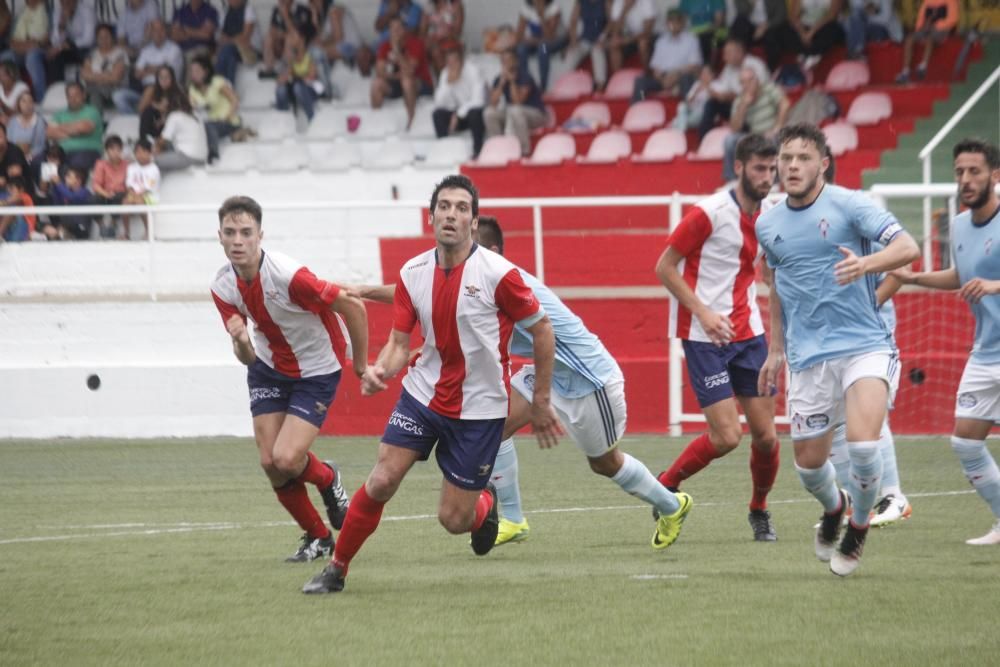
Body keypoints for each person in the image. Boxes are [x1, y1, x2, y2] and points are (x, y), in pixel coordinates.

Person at [353, 215, 692, 548]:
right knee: (490, 425)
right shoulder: (469, 283)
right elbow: (418, 288)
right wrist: (364, 291)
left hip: (589, 380)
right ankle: (513, 519)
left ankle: (672, 506)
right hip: (547, 374)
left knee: (605, 463)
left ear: (492, 251)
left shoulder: (502, 282)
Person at [302, 175, 560, 594]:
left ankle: (484, 506)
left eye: (461, 208)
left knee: (453, 520)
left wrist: (541, 400)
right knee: (383, 477)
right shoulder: (412, 272)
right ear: (431, 216)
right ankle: (337, 568)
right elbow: (401, 344)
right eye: (444, 206)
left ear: (474, 222)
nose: (451, 214)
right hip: (423, 395)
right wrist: (380, 371)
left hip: (479, 411)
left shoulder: (500, 275)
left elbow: (543, 330)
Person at [755, 123, 920, 576]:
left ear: (822, 164)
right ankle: (835, 507)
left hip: (865, 344)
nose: (791, 166)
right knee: (810, 468)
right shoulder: (767, 223)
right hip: (808, 358)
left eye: (803, 158)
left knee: (865, 448)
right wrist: (775, 350)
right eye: (786, 158)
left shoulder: (851, 204)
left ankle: (860, 524)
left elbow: (908, 247)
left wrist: (866, 263)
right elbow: (776, 286)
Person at [210, 195, 368, 563]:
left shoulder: (288, 276)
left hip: (316, 368)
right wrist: (240, 340)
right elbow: (246, 358)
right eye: (230, 232)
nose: (237, 240)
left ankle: (328, 477)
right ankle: (317, 537)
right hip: (267, 365)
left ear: (260, 235)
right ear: (218, 236)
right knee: (270, 462)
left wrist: (359, 364)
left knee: (286, 457)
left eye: (245, 232)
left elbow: (354, 306)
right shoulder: (222, 287)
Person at [655, 134, 780, 541]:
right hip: (704, 337)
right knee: (728, 436)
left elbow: (767, 275)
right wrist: (704, 313)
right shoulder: (708, 212)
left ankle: (759, 509)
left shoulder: (772, 216)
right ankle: (666, 484)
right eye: (760, 168)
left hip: (750, 336)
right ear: (740, 168)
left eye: (772, 168)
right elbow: (665, 267)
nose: (768, 176)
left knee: (766, 437)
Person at [891, 138, 1000, 545]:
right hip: (986, 351)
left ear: (995, 175)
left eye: (974, 171)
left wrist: (994, 285)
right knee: (966, 442)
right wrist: (915, 278)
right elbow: (961, 274)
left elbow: (985, 279)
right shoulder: (957, 224)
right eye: (959, 172)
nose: (965, 180)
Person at [722, 66, 789, 181]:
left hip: (773, 131)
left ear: (757, 80)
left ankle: (775, 181)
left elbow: (785, 104)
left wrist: (777, 127)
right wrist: (743, 106)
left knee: (774, 139)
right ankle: (732, 180)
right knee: (729, 140)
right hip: (754, 135)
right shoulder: (739, 100)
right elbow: (734, 128)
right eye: (743, 82)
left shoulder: (768, 89)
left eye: (750, 80)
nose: (747, 85)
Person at [697, 37, 768, 141]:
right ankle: (704, 141)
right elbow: (722, 89)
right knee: (711, 103)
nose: (724, 57)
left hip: (755, 107)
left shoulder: (755, 65)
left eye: (728, 53)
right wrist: (711, 89)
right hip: (736, 105)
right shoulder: (728, 68)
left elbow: (757, 92)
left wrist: (732, 96)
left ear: (739, 52)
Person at [371, 17, 433, 131]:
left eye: (398, 28)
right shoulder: (385, 45)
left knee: (407, 80)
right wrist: (396, 76)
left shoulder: (415, 43)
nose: (395, 32)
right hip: (398, 82)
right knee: (377, 83)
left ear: (405, 30)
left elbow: (409, 70)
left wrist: (397, 50)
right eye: (392, 29)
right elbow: (379, 71)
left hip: (421, 84)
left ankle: (411, 119)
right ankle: (376, 121)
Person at [630, 8, 702, 103]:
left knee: (686, 79)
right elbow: (655, 68)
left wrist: (676, 74)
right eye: (670, 21)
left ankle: (688, 111)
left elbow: (695, 65)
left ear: (682, 23)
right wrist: (662, 79)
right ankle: (637, 110)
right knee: (640, 82)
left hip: (681, 75)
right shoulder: (661, 42)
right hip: (663, 78)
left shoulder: (691, 40)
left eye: (676, 21)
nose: (673, 24)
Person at [114, 19, 185, 113]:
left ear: (166, 31)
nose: (158, 33)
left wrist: (147, 69)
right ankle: (133, 120)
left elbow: (167, 73)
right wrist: (158, 68)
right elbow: (137, 73)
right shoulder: (146, 50)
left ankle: (139, 118)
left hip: (166, 91)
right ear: (150, 33)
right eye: (154, 30)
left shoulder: (174, 49)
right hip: (143, 89)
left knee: (151, 88)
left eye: (161, 30)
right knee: (118, 96)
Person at [485, 48, 547, 157]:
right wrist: (501, 83)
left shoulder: (525, 76)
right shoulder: (500, 78)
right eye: (503, 60)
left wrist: (512, 81)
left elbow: (518, 101)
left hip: (536, 115)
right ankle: (497, 148)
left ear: (516, 61)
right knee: (489, 113)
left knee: (515, 110)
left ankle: (524, 152)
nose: (506, 62)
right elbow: (493, 103)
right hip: (513, 113)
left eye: (509, 59)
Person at [431, 45, 486, 157]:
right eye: (449, 61)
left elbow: (479, 101)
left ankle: (478, 151)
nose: (451, 64)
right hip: (456, 117)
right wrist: (448, 84)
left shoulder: (473, 71)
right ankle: (444, 150)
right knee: (437, 114)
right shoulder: (445, 73)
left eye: (454, 61)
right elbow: (439, 103)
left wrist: (458, 114)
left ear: (461, 60)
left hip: (473, 114)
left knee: (474, 113)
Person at [189, 55, 243, 164]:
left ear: (206, 71)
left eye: (197, 71)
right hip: (208, 122)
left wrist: (227, 116)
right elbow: (192, 108)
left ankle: (213, 154)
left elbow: (235, 100)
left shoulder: (217, 82)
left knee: (209, 126)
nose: (193, 74)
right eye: (192, 71)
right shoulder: (192, 89)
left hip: (228, 121)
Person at [766, 0, 846, 72]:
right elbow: (793, 17)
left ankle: (811, 55)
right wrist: (802, 33)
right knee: (778, 31)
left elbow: (832, 15)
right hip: (804, 26)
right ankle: (805, 55)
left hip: (824, 26)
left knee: (833, 30)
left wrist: (811, 32)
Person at [46, 81, 104, 171]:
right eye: (70, 96)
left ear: (84, 95)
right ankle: (52, 185)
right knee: (40, 160)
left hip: (87, 152)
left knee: (74, 164)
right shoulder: (60, 114)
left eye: (76, 95)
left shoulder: (92, 111)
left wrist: (59, 128)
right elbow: (49, 132)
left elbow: (84, 128)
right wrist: (74, 131)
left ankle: (67, 184)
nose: (73, 99)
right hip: (62, 152)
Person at [896, 0, 959, 83]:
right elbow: (921, 17)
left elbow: (953, 19)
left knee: (930, 39)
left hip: (942, 29)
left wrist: (936, 26)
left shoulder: (951, 1)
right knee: (909, 39)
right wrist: (920, 28)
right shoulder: (927, 2)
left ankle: (923, 67)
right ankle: (905, 71)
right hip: (926, 28)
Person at [515, 0, 566, 92]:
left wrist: (541, 15)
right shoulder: (526, 8)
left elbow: (549, 36)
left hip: (556, 41)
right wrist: (531, 41)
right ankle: (524, 84)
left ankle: (543, 87)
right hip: (537, 41)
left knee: (543, 48)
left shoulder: (554, 8)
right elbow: (519, 36)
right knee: (521, 48)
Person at [3, 0, 49, 102]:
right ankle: (18, 96)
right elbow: (12, 41)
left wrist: (24, 45)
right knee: (5, 57)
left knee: (32, 57)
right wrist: (23, 46)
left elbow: (44, 40)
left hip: (40, 50)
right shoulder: (22, 14)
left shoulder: (46, 13)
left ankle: (40, 99)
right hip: (21, 50)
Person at [45, 0, 97, 85]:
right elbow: (55, 41)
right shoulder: (58, 11)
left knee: (60, 52)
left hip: (86, 49)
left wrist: (64, 46)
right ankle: (58, 88)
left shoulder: (87, 11)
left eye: (68, 1)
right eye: (62, 1)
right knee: (53, 56)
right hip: (69, 48)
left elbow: (89, 40)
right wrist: (62, 24)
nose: (65, 3)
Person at [562, 0, 610, 90]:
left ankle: (600, 85)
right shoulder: (581, 2)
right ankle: (565, 84)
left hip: (600, 39)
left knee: (597, 52)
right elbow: (573, 21)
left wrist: (603, 37)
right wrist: (573, 41)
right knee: (571, 53)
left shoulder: (604, 2)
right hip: (585, 39)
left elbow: (611, 22)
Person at [80, 23, 129, 110]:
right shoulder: (92, 54)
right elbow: (84, 75)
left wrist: (93, 76)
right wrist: (106, 75)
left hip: (113, 92)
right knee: (81, 93)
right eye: (100, 37)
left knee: (94, 93)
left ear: (112, 37)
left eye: (107, 36)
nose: (104, 40)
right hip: (93, 89)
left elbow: (115, 78)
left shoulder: (120, 53)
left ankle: (95, 121)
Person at [135, 65, 189, 143]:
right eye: (161, 77)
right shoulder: (153, 90)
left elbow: (183, 111)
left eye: (167, 77)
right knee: (148, 112)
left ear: (172, 78)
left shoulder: (179, 92)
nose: (164, 80)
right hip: (156, 125)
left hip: (171, 125)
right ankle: (144, 143)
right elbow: (140, 109)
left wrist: (166, 112)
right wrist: (156, 106)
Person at [276, 28, 321, 121]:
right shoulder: (292, 56)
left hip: (311, 89)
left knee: (298, 87)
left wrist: (293, 77)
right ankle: (282, 120)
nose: (290, 40)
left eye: (293, 36)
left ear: (302, 39)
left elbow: (311, 76)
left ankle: (312, 118)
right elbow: (282, 78)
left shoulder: (311, 53)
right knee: (281, 90)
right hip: (297, 87)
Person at [91, 134, 129, 238]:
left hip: (120, 193)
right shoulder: (100, 164)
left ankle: (113, 223)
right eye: (112, 149)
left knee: (119, 197)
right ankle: (101, 225)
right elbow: (96, 184)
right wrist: (106, 194)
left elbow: (129, 184)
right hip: (105, 193)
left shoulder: (126, 164)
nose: (115, 152)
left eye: (118, 149)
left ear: (121, 151)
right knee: (92, 199)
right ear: (107, 150)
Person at [606, 0, 656, 77]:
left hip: (651, 36)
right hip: (631, 36)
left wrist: (627, 40)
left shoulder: (646, 1)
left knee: (642, 43)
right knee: (614, 43)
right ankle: (618, 78)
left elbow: (647, 30)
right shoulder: (619, 2)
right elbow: (615, 30)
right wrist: (625, 10)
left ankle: (648, 75)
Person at [122, 138, 159, 239]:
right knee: (125, 203)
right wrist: (132, 194)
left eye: (143, 151)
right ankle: (126, 233)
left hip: (150, 197)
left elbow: (149, 187)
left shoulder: (154, 168)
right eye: (137, 152)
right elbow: (129, 184)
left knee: (139, 202)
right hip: (133, 194)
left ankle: (149, 232)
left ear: (150, 153)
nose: (140, 155)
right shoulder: (131, 167)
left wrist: (136, 196)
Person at [155, 102, 208, 170]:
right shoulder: (196, 114)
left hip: (187, 157)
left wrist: (154, 150)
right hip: (202, 159)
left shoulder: (174, 115)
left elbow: (163, 140)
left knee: (152, 161)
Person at [216, 0, 259, 84]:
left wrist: (228, 40)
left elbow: (245, 37)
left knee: (227, 50)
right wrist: (226, 40)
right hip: (231, 51)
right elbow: (220, 36)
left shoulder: (248, 10)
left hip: (249, 51)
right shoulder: (225, 11)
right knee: (229, 55)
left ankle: (222, 87)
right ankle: (227, 87)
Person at [46, 165, 92, 240]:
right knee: (50, 231)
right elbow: (57, 203)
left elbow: (72, 197)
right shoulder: (66, 191)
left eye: (69, 177)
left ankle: (61, 233)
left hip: (81, 229)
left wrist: (58, 184)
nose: (65, 179)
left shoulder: (84, 192)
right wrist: (55, 186)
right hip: (67, 227)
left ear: (78, 180)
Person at [421, 0, 463, 74]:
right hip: (433, 41)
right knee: (420, 50)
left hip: (450, 39)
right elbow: (422, 31)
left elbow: (457, 31)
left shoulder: (456, 5)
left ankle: (445, 78)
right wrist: (428, 39)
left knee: (436, 51)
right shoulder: (429, 6)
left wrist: (440, 38)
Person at [7, 92, 46, 164]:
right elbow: (9, 141)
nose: (27, 104)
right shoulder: (13, 121)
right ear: (19, 104)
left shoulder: (39, 121)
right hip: (14, 155)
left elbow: (40, 145)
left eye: (30, 101)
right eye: (24, 101)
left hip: (33, 157)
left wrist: (30, 154)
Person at [0, 175, 35, 241]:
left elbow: (10, 200)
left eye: (11, 188)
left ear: (21, 189)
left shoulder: (24, 196)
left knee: (12, 211)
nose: (9, 191)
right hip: (12, 228)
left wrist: (2, 203)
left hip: (26, 229)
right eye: (7, 189)